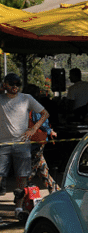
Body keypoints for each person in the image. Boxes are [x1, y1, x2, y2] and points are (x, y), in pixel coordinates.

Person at [0, 73, 50, 215]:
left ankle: (19, 207)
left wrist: (33, 129)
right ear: (5, 85)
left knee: (22, 176)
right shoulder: (1, 98)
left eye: (17, 84)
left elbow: (45, 113)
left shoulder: (26, 98)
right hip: (3, 143)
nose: (15, 87)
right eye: (11, 84)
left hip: (22, 144)